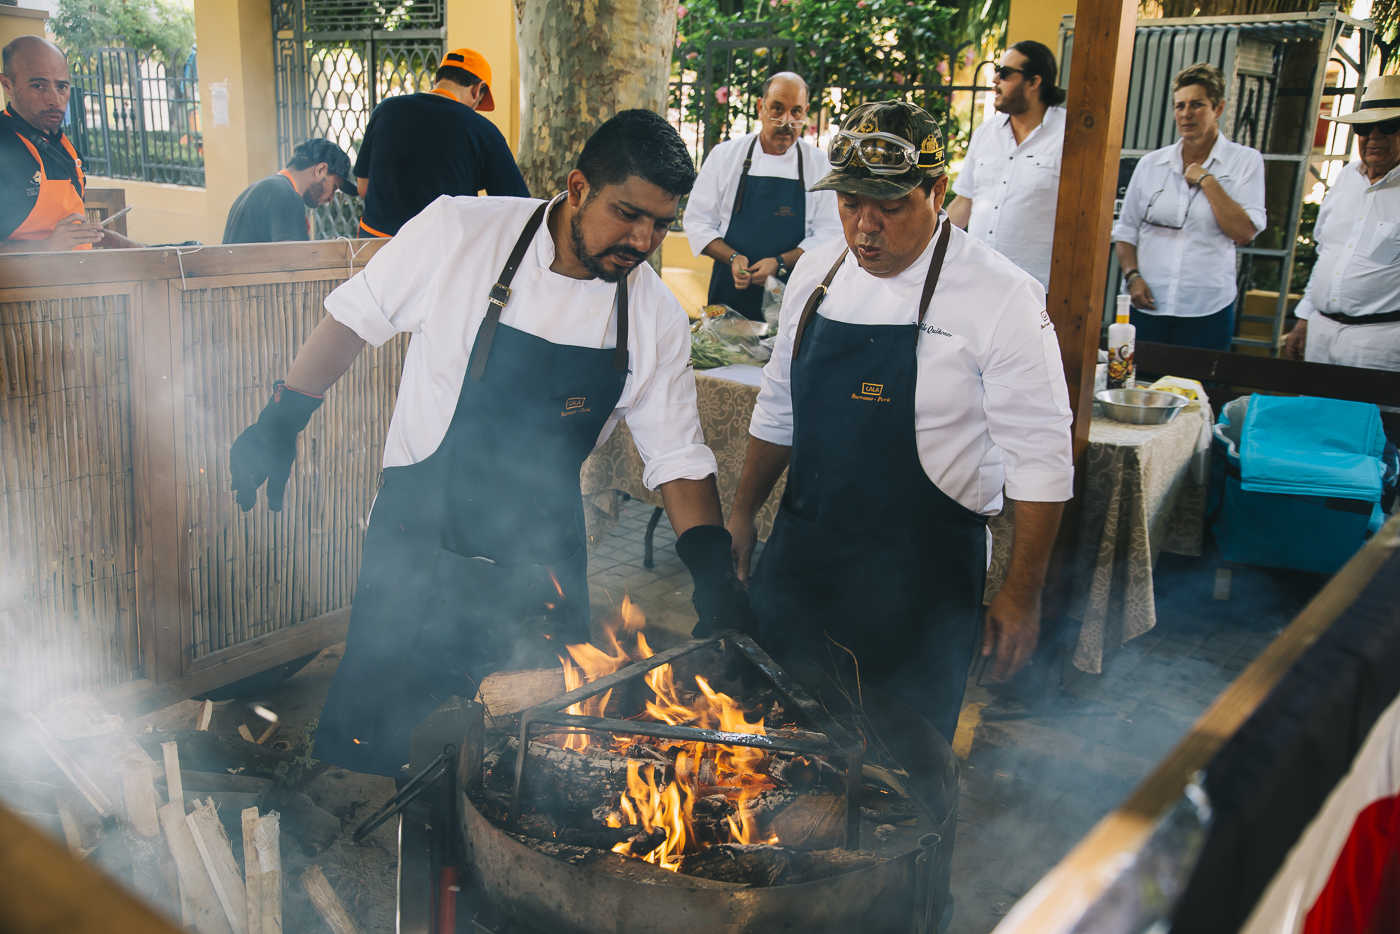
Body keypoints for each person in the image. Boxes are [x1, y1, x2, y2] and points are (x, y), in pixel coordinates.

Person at [228, 110, 755, 778]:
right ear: (578, 188)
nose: (642, 240)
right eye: (627, 215)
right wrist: (282, 418)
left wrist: (711, 572)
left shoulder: (652, 315)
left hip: (540, 564)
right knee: (380, 748)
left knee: (537, 766)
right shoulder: (461, 233)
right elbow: (354, 319)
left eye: (660, 224)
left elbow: (677, 455)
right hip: (418, 545)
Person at [726, 101, 1073, 776]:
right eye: (850, 203)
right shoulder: (817, 275)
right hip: (802, 561)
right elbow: (778, 407)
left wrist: (1022, 592)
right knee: (769, 759)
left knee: (898, 778)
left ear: (936, 192)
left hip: (921, 582)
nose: (866, 225)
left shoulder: (1001, 296)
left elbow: (1041, 459)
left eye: (889, 206)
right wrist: (743, 512)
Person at [1112, 62, 1266, 351]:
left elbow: (1243, 232)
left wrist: (1208, 181)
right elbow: (1126, 230)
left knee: (1199, 381)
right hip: (1148, 303)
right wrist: (1133, 276)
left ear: (1218, 108)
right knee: (1138, 378)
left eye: (1197, 105)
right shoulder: (1151, 164)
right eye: (1179, 106)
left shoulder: (1244, 161)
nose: (1186, 114)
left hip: (1206, 308)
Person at [683, 72, 841, 321]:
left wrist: (780, 262)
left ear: (806, 112)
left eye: (796, 112)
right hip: (729, 294)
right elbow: (697, 221)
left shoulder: (820, 165)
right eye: (777, 109)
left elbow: (830, 233)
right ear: (760, 107)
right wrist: (733, 258)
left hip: (792, 296)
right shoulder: (725, 156)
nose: (786, 121)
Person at [1283, 75, 1400, 372]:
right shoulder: (1346, 178)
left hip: (1381, 344)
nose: (1374, 137)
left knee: (1370, 406)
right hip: (1320, 335)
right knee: (1314, 402)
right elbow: (1327, 253)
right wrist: (1304, 318)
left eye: (1388, 127)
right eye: (1364, 128)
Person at [353, 47, 529, 238]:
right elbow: (518, 206)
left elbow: (363, 188)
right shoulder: (483, 130)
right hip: (441, 249)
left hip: (377, 246)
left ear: (438, 79)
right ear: (478, 90)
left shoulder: (385, 110)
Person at [947, 40, 1067, 292]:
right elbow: (964, 202)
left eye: (1005, 73)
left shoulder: (1068, 135)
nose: (995, 80)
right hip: (977, 280)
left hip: (1036, 288)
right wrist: (929, 246)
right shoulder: (986, 132)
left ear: (1034, 82)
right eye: (996, 71)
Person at [0, 36, 138, 252]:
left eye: (62, 87)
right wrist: (46, 247)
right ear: (7, 85)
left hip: (76, 271)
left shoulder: (66, 149)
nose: (54, 99)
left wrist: (117, 243)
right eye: (38, 86)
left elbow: (70, 235)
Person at [222, 138, 355, 244]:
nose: (331, 198)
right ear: (321, 170)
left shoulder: (260, 189)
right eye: (334, 187)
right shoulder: (286, 197)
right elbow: (294, 263)